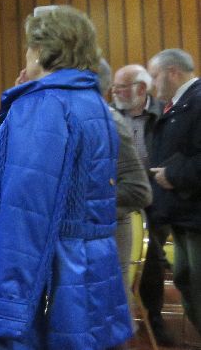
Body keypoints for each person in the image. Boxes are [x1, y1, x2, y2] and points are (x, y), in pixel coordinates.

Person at [0, 6, 132, 349]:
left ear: (40, 50)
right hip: (87, 270)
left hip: (50, 279)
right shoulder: (91, 102)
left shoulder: (45, 105)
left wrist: (9, 305)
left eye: (29, 46)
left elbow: (26, 215)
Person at [112, 63, 171, 345]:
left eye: (122, 88)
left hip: (156, 195)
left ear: (141, 88)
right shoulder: (109, 116)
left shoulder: (164, 114)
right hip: (121, 195)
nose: (116, 92)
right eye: (114, 87)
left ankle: (154, 317)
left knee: (153, 260)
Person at [147, 48, 201, 338]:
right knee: (185, 278)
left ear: (172, 72)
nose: (152, 85)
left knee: (196, 283)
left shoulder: (197, 102)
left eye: (155, 76)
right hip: (183, 214)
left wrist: (172, 175)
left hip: (195, 214)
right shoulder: (182, 104)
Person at [99, 59, 152, 335]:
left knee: (110, 320)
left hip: (112, 229)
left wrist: (83, 200)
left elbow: (139, 191)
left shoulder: (109, 121)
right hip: (99, 233)